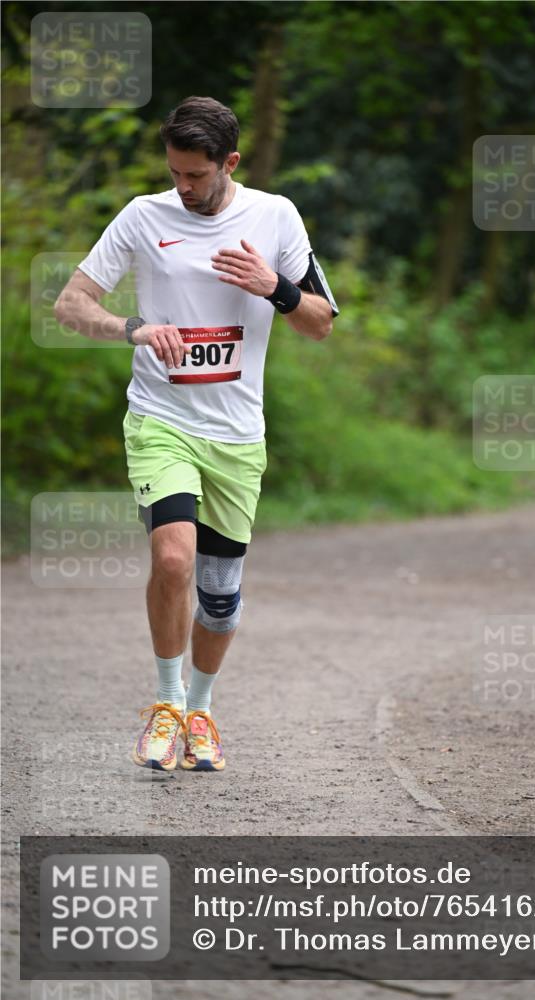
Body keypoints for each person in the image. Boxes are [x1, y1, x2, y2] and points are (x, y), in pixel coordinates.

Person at [54, 95, 338, 772]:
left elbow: (322, 321)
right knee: (173, 559)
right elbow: (70, 304)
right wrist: (134, 329)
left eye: (195, 175)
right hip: (162, 420)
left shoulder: (275, 217)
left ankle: (202, 711)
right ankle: (166, 702)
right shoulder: (143, 216)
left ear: (229, 162)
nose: (181, 187)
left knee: (218, 593)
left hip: (237, 433)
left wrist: (277, 288)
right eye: (174, 172)